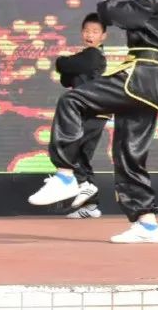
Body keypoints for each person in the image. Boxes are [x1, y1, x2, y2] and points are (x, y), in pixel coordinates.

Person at [28, 0, 158, 244]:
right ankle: (147, 224)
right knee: (128, 155)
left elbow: (115, 12)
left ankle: (65, 175)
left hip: (140, 77)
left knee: (72, 100)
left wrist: (104, 6)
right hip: (151, 85)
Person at [54, 12, 108, 218]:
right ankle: (91, 205)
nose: (89, 35)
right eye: (86, 31)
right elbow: (66, 80)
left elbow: (62, 66)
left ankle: (86, 187)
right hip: (91, 112)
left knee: (70, 151)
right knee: (82, 156)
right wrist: (68, 65)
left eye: (95, 31)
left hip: (91, 111)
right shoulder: (86, 57)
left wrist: (63, 62)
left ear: (103, 36)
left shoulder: (93, 55)